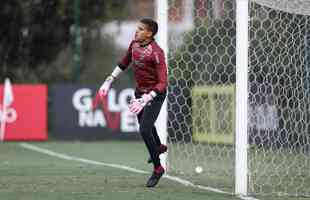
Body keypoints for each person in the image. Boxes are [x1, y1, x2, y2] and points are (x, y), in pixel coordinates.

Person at [96, 18, 168, 187]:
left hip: (155, 95)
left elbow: (163, 82)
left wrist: (147, 97)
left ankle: (158, 168)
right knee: (147, 127)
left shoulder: (156, 52)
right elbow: (124, 62)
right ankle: (158, 147)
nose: (137, 31)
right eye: (137, 28)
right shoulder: (134, 44)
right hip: (139, 92)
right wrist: (109, 80)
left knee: (144, 129)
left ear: (150, 33)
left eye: (141, 29)